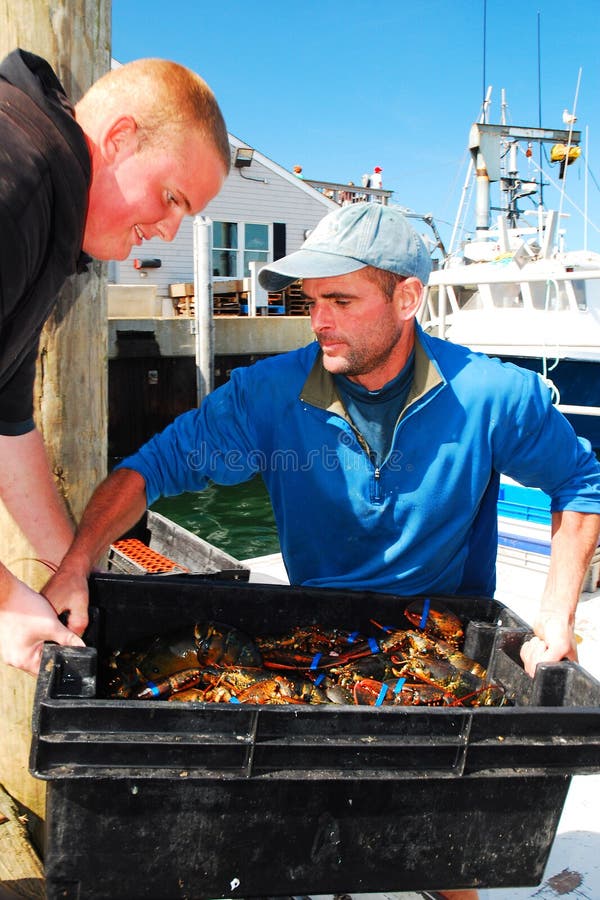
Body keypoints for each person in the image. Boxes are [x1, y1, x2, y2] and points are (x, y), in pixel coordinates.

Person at [48, 203, 600, 688]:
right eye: (311, 300)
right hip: (315, 635)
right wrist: (77, 562)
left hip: (448, 638)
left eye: (339, 299)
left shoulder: (494, 395)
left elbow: (578, 480)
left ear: (407, 299)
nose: (318, 321)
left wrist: (556, 620)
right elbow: (150, 469)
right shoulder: (264, 394)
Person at [0, 48, 230, 675]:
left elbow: (7, 425)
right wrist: (4, 605)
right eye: (172, 197)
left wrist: (72, 570)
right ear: (120, 138)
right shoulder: (15, 185)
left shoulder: (48, 223)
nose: (167, 233)